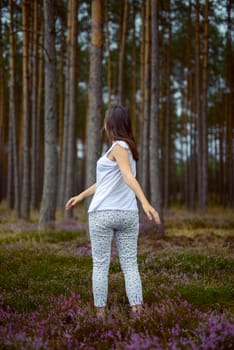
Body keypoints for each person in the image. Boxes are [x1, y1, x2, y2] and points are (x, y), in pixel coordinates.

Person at [65, 105, 161, 320]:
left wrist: (145, 202)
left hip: (103, 214)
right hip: (127, 214)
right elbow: (105, 182)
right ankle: (137, 311)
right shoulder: (129, 149)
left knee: (100, 265)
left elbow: (127, 177)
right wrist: (81, 195)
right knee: (130, 263)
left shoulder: (118, 147)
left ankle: (100, 314)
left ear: (111, 124)